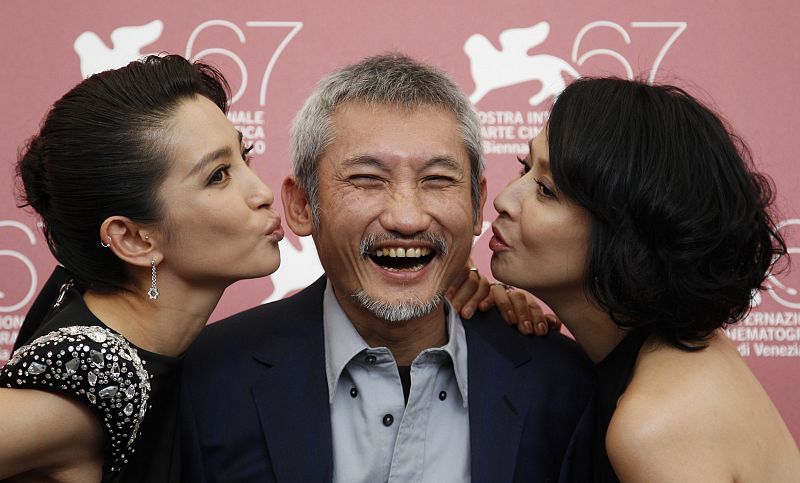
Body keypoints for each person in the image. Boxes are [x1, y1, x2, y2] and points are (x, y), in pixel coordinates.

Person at [0, 54, 533, 483]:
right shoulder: (96, 371)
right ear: (135, 238)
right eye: (217, 177)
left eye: (243, 160)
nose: (260, 193)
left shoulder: (163, 352)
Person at [180, 52, 594, 483]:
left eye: (437, 180)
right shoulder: (211, 377)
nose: (407, 218)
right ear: (302, 205)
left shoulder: (562, 384)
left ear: (476, 205)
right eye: (366, 179)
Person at [490, 77, 800, 481]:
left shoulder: (657, 424)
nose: (503, 199)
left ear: (626, 233)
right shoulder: (666, 355)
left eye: (546, 190)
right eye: (525, 168)